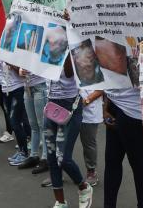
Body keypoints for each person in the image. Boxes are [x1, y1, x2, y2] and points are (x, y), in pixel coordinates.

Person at [45, 54, 93, 208]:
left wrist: (66, 46)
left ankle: (83, 187)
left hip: (70, 107)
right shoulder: (47, 46)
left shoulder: (74, 49)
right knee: (52, 158)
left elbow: (69, 72)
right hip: (51, 106)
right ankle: (60, 202)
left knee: (63, 158)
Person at [103, 87, 143, 208]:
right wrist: (105, 106)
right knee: (112, 162)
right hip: (114, 105)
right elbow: (109, 78)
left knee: (139, 167)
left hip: (134, 112)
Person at [17, 69, 49, 173]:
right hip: (27, 87)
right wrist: (20, 70)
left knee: (43, 126)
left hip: (41, 86)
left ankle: (46, 158)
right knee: (33, 125)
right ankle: (33, 155)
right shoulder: (25, 51)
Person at [3, 62, 31, 166]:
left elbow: (22, 72)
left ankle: (24, 153)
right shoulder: (3, 52)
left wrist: (10, 63)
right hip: (6, 90)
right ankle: (21, 150)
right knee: (13, 123)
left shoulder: (17, 54)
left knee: (15, 123)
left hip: (17, 89)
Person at [80, 89, 103, 186]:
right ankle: (57, 171)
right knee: (63, 141)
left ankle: (91, 172)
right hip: (71, 108)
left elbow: (101, 88)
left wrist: (87, 100)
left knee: (88, 143)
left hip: (89, 110)